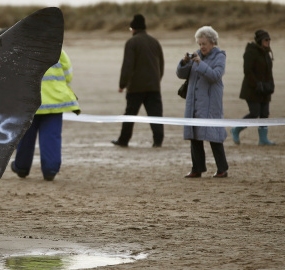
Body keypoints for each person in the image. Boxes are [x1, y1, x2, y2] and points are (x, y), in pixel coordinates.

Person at [10, 49, 80, 181]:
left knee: (25, 136)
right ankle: (50, 170)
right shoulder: (59, 50)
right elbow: (68, 73)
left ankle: (22, 167)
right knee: (51, 137)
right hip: (54, 101)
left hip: (29, 102)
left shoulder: (23, 49)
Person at [176, 26, 229, 178]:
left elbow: (215, 75)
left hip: (211, 103)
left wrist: (200, 63)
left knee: (214, 134)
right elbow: (181, 74)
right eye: (199, 44)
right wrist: (184, 62)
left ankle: (222, 168)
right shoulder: (196, 55)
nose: (201, 47)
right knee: (194, 135)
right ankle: (197, 168)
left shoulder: (220, 56)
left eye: (204, 44)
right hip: (194, 102)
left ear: (212, 42)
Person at [112, 14, 164, 148]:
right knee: (156, 115)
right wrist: (157, 80)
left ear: (133, 29)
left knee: (130, 115)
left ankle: (123, 140)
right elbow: (161, 64)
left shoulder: (132, 42)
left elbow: (127, 65)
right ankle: (158, 141)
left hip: (136, 87)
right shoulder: (154, 41)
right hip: (153, 86)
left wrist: (122, 84)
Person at [230, 30, 276, 145]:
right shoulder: (251, 52)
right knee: (254, 112)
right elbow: (247, 71)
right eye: (266, 39)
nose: (268, 41)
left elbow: (269, 72)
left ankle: (263, 139)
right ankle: (236, 129)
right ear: (260, 41)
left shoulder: (267, 53)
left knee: (264, 113)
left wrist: (270, 85)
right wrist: (257, 84)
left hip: (265, 89)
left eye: (269, 39)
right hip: (252, 89)